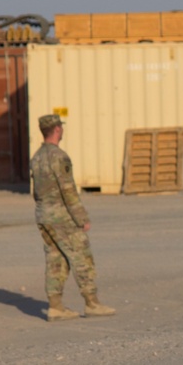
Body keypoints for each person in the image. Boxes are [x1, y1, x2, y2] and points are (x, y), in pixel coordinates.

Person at [31, 114, 115, 321]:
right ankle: (92, 303)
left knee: (55, 259)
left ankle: (56, 306)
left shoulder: (37, 157)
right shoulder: (59, 156)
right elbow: (68, 191)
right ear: (58, 129)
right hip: (61, 216)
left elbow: (36, 192)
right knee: (82, 256)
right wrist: (81, 217)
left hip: (43, 215)